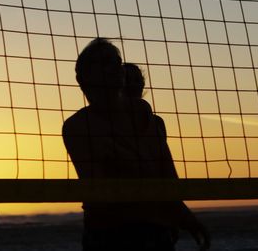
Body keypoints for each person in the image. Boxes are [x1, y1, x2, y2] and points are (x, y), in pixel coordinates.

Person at [62, 38, 209, 251]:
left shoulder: (151, 120)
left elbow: (168, 180)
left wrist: (185, 218)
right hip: (110, 235)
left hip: (155, 232)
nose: (115, 67)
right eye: (105, 62)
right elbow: (103, 194)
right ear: (82, 77)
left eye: (117, 61)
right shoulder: (78, 127)